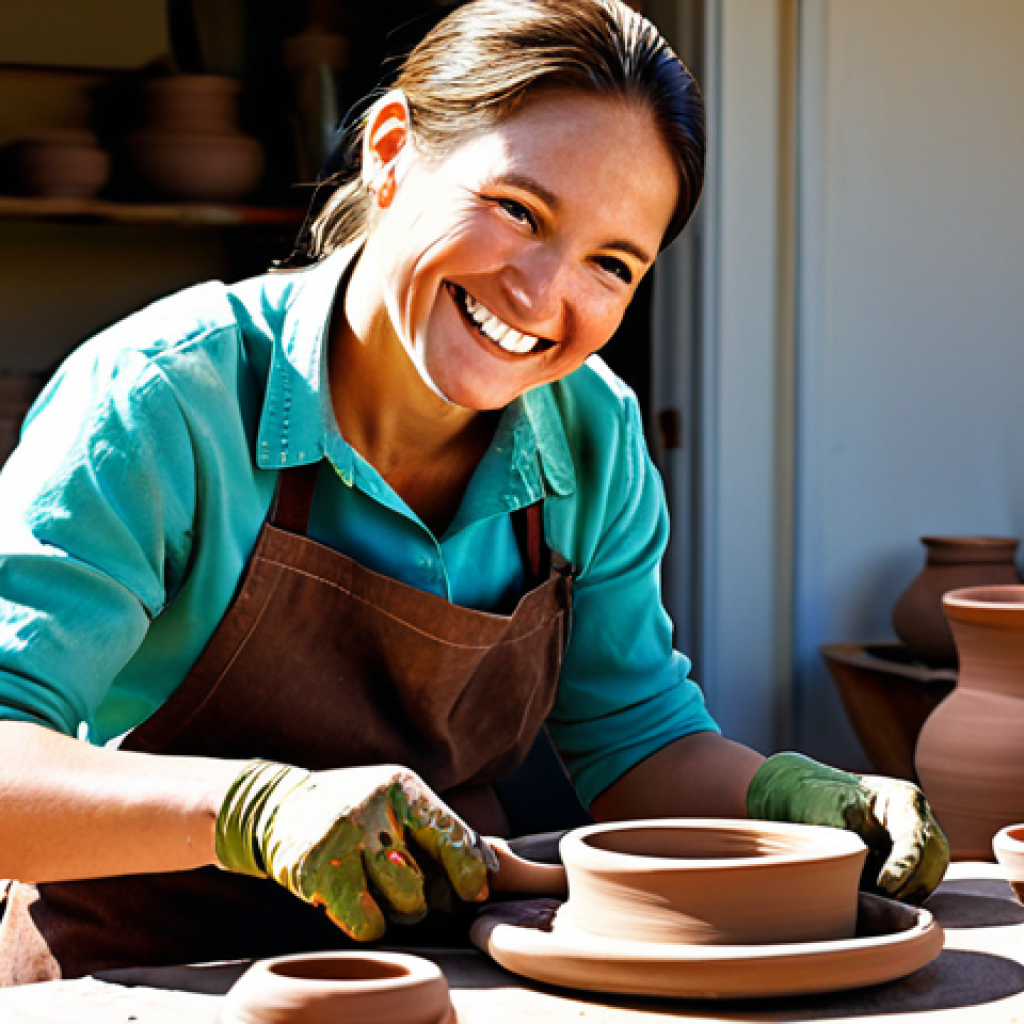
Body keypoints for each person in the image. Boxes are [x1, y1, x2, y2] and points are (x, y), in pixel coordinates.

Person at [0, 0, 947, 985]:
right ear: (392, 150)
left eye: (610, 265)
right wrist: (252, 810)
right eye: (518, 210)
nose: (541, 296)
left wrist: (796, 795)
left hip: (446, 977)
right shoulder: (163, 399)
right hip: (140, 978)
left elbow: (635, 743)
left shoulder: (593, 434)